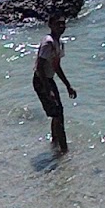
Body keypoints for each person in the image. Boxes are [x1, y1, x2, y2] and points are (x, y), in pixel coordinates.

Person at [33, 15, 77, 154]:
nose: (61, 27)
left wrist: (67, 85)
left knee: (58, 113)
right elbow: (39, 67)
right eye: (58, 24)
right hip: (41, 80)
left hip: (49, 79)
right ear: (50, 25)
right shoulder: (48, 43)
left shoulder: (59, 43)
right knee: (57, 114)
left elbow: (56, 66)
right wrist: (47, 89)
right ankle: (64, 151)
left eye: (63, 24)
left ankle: (55, 142)